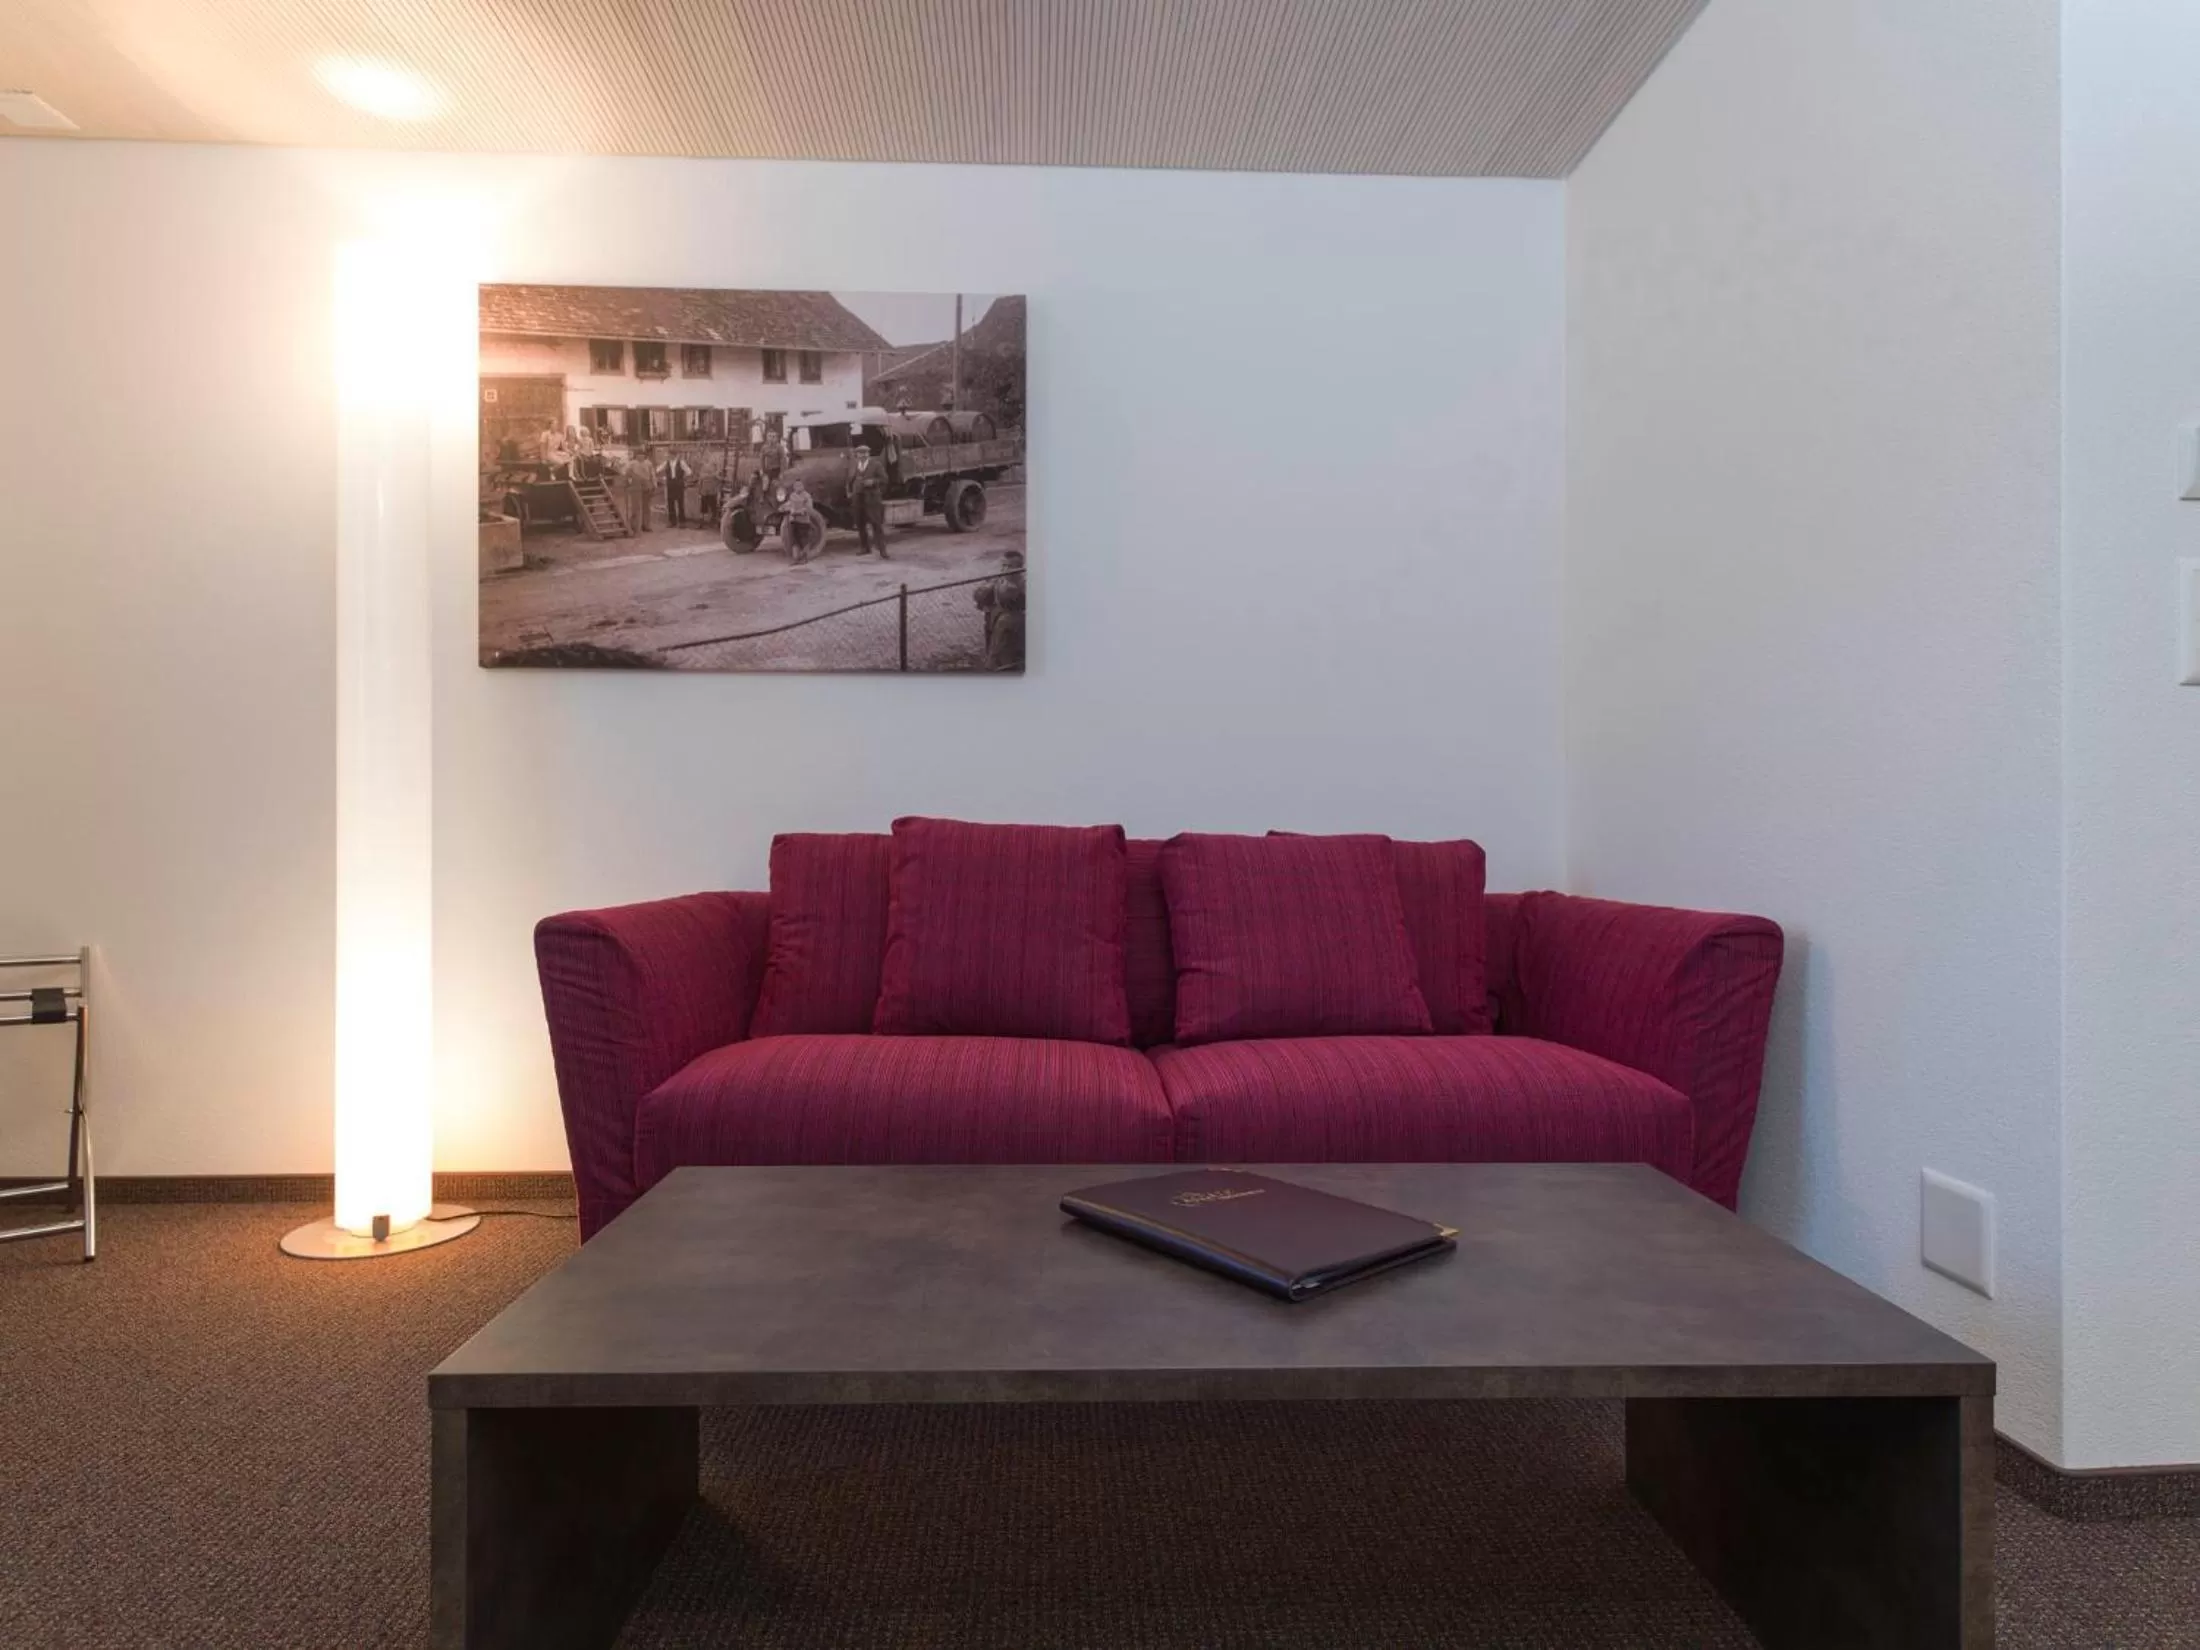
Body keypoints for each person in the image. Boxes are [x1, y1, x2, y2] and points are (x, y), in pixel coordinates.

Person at [972, 549, 1025, 670]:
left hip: (1014, 619)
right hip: (995, 616)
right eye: (1003, 565)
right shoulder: (998, 579)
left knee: (1003, 645)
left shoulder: (1023, 583)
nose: (1005, 569)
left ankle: (996, 665)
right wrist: (986, 590)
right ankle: (993, 659)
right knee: (991, 634)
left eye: (1010, 566)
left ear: (1019, 568)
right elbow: (978, 595)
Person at [847, 445, 889, 559]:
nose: (863, 455)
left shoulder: (876, 465)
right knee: (860, 524)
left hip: (872, 498)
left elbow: (884, 479)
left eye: (865, 453)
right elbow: (849, 480)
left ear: (869, 454)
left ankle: (882, 550)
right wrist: (850, 492)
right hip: (858, 499)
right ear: (857, 455)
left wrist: (873, 481)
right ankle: (865, 547)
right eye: (860, 453)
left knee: (876, 524)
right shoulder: (855, 465)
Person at [782, 478, 819, 564]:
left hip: (803, 521)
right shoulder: (792, 496)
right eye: (796, 486)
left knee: (804, 540)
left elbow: (808, 508)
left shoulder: (807, 496)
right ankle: (795, 558)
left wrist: (796, 512)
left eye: (799, 485)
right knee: (794, 540)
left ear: (803, 486)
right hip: (793, 521)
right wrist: (784, 507)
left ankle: (805, 558)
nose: (797, 487)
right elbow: (789, 504)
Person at [622, 451, 655, 534]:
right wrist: (626, 484)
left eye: (642, 455)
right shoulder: (632, 464)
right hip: (636, 487)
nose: (640, 457)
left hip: (646, 485)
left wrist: (654, 485)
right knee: (635, 507)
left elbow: (652, 475)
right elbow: (626, 474)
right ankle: (634, 526)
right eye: (638, 455)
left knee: (646, 507)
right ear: (636, 456)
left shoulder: (648, 464)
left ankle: (646, 525)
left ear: (645, 456)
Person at [664, 452, 692, 528]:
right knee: (670, 503)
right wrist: (664, 478)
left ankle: (682, 522)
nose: (671, 456)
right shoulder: (666, 462)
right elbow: (657, 469)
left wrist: (682, 478)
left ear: (675, 455)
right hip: (670, 484)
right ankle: (672, 521)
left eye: (672, 455)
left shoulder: (681, 462)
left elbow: (689, 472)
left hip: (679, 484)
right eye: (669, 455)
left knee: (680, 503)